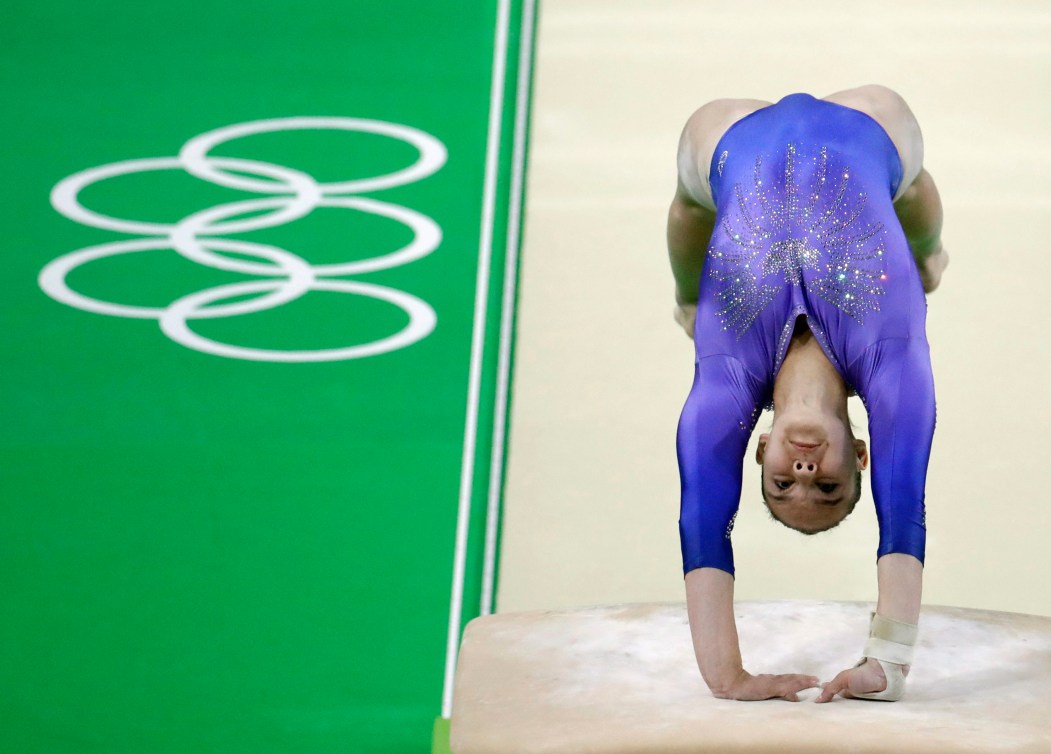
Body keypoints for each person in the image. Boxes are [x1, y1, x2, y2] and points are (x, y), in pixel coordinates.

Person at [667, 85, 948, 702]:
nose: (803, 470)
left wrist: (727, 677)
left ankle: (687, 294)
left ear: (760, 447)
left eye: (782, 482)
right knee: (910, 186)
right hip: (867, 120)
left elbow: (702, 521)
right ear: (862, 457)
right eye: (828, 485)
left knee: (693, 202)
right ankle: (930, 251)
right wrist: (889, 661)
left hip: (728, 132)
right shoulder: (892, 367)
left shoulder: (726, 379)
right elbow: (904, 511)